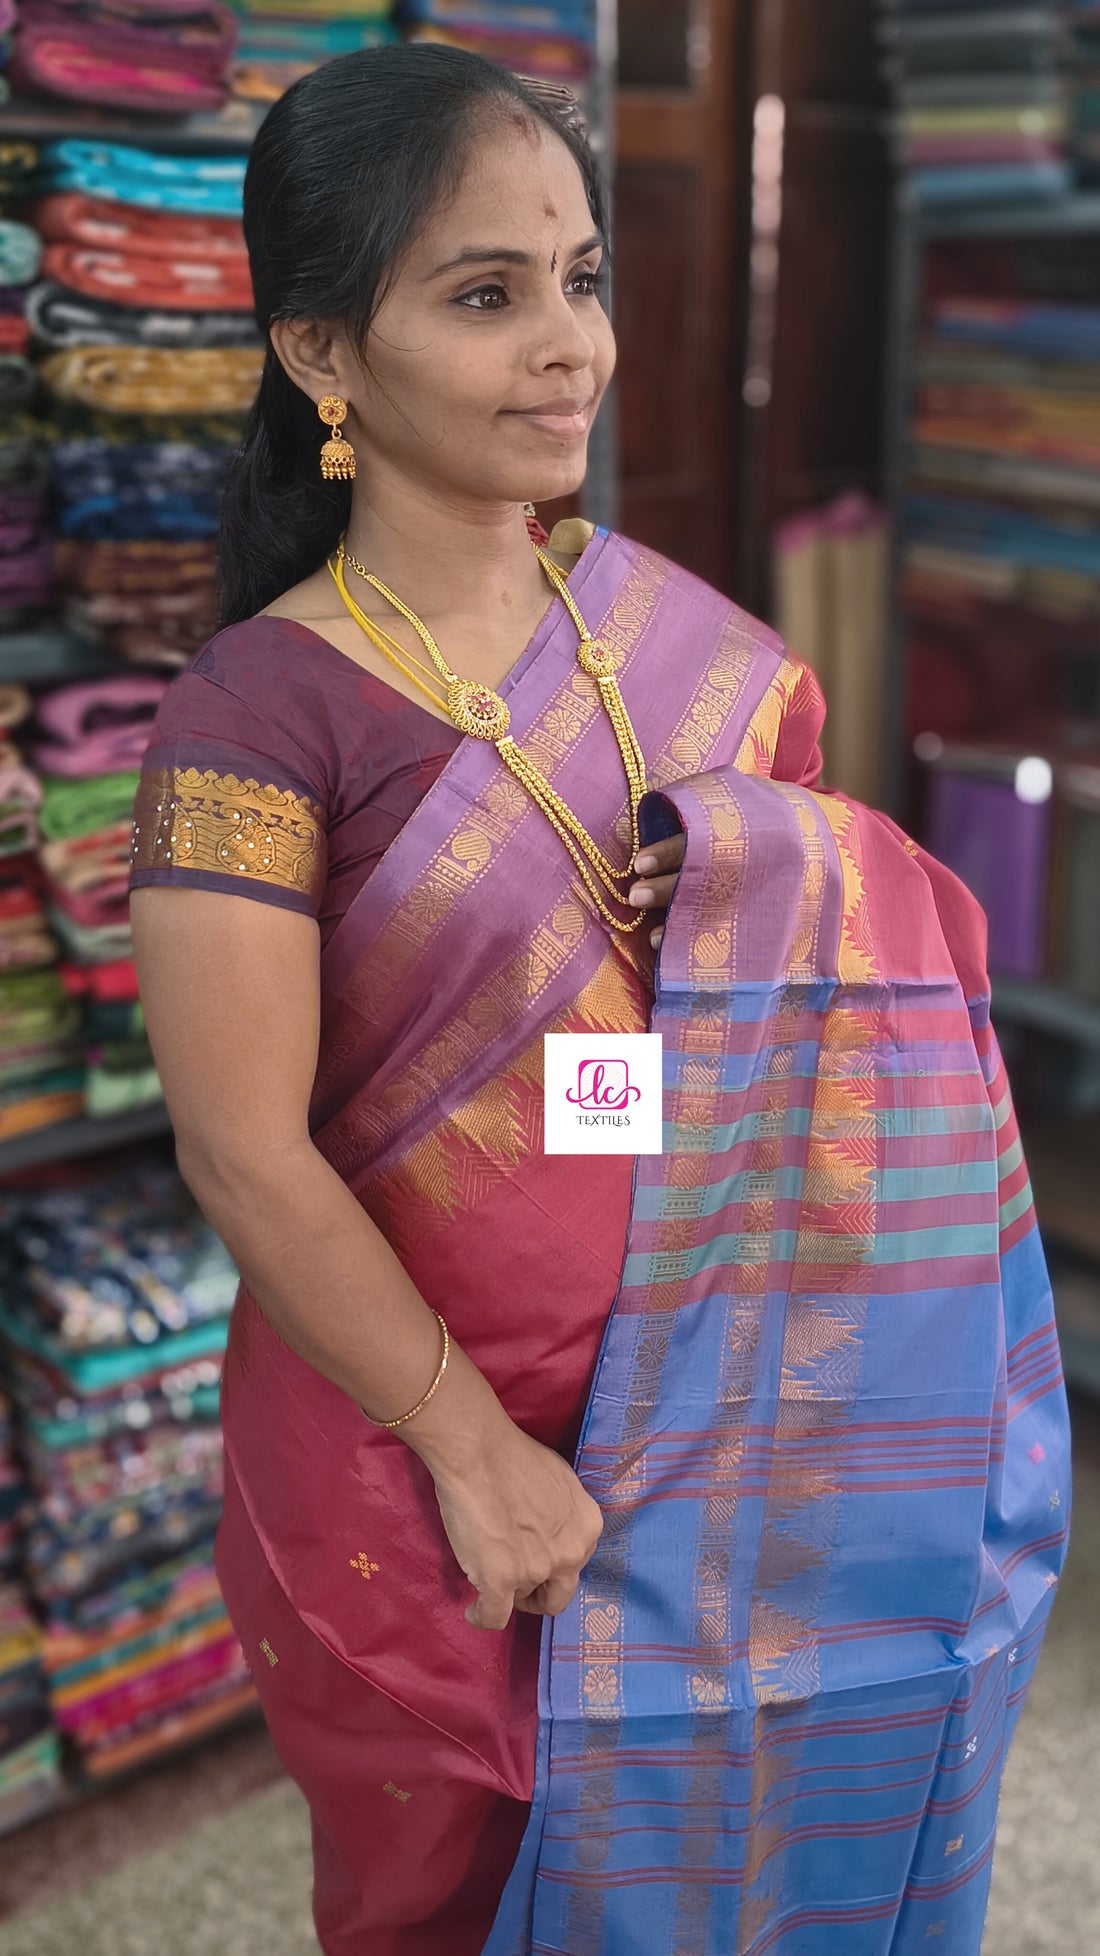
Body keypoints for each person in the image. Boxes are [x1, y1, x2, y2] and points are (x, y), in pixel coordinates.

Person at [128, 43, 1070, 1956]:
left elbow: (855, 996)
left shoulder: (683, 651)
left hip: (729, 1414)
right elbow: (240, 1153)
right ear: (322, 354)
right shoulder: (256, 719)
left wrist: (773, 857)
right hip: (427, 1467)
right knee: (454, 1898)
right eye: (486, 296)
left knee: (762, 1847)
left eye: (578, 279)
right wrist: (478, 1459)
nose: (568, 345)